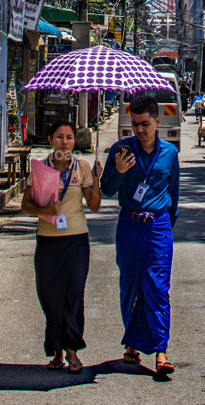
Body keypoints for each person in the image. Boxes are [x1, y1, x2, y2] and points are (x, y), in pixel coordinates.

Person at [101, 94, 180, 378]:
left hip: (157, 227)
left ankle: (161, 351)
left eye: (145, 124)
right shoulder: (121, 150)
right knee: (131, 285)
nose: (139, 130)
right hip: (129, 226)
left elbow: (174, 194)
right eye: (134, 124)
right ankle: (132, 342)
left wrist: (166, 228)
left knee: (157, 288)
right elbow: (107, 189)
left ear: (157, 121)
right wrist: (119, 172)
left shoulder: (170, 153)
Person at [21, 120, 101, 373]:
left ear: (74, 141)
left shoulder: (83, 167)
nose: (64, 142)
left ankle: (71, 349)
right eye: (59, 137)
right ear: (50, 140)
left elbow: (95, 205)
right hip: (47, 240)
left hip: (76, 240)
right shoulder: (40, 169)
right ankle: (55, 347)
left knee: (74, 294)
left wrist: (96, 180)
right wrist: (44, 210)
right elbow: (26, 205)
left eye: (69, 137)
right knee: (49, 295)